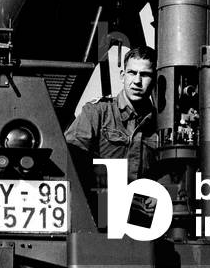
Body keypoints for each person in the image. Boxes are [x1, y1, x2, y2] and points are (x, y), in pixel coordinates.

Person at [65, 45, 158, 182]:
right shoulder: (97, 112)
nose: (137, 81)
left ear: (155, 79)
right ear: (122, 76)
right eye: (132, 73)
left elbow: (169, 172)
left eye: (145, 75)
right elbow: (69, 155)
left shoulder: (160, 124)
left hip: (144, 194)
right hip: (101, 194)